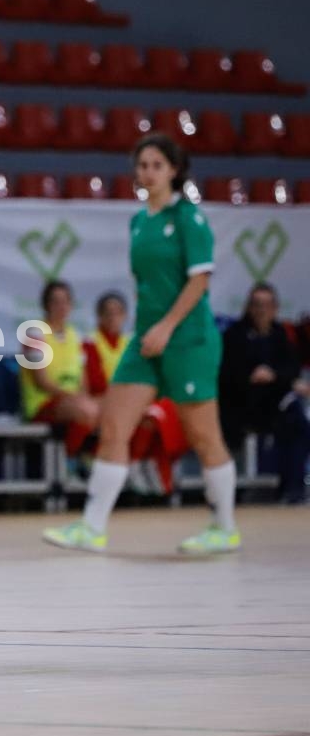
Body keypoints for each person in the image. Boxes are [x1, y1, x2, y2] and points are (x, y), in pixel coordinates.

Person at [44, 133, 241, 555]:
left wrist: (167, 327)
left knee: (204, 436)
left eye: (156, 164)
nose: (147, 172)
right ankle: (91, 527)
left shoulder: (189, 217)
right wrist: (152, 329)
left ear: (173, 170)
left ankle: (224, 527)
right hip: (146, 340)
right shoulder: (139, 220)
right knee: (113, 425)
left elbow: (199, 280)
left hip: (187, 339)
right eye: (142, 165)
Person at [82, 290, 188, 494]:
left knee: (163, 411)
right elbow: (95, 383)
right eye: (108, 313)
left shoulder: (132, 343)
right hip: (107, 401)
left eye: (118, 312)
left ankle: (146, 463)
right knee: (137, 416)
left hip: (131, 401)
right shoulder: (90, 342)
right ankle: (132, 464)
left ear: (125, 315)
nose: (113, 317)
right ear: (99, 316)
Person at [219, 283, 310, 505]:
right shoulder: (235, 334)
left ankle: (292, 489)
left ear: (276, 308)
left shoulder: (280, 334)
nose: (262, 310)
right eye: (257, 305)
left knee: (297, 421)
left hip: (272, 405)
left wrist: (274, 375)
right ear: (249, 307)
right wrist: (254, 375)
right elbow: (227, 374)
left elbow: (292, 368)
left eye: (267, 305)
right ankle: (225, 493)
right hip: (239, 405)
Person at [20, 280, 100, 449]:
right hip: (43, 404)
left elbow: (82, 380)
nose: (61, 307)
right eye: (55, 301)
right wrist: (75, 398)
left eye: (65, 301)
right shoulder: (34, 333)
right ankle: (71, 461)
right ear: (45, 305)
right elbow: (41, 381)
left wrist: (83, 397)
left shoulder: (74, 335)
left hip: (71, 401)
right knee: (87, 410)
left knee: (115, 409)